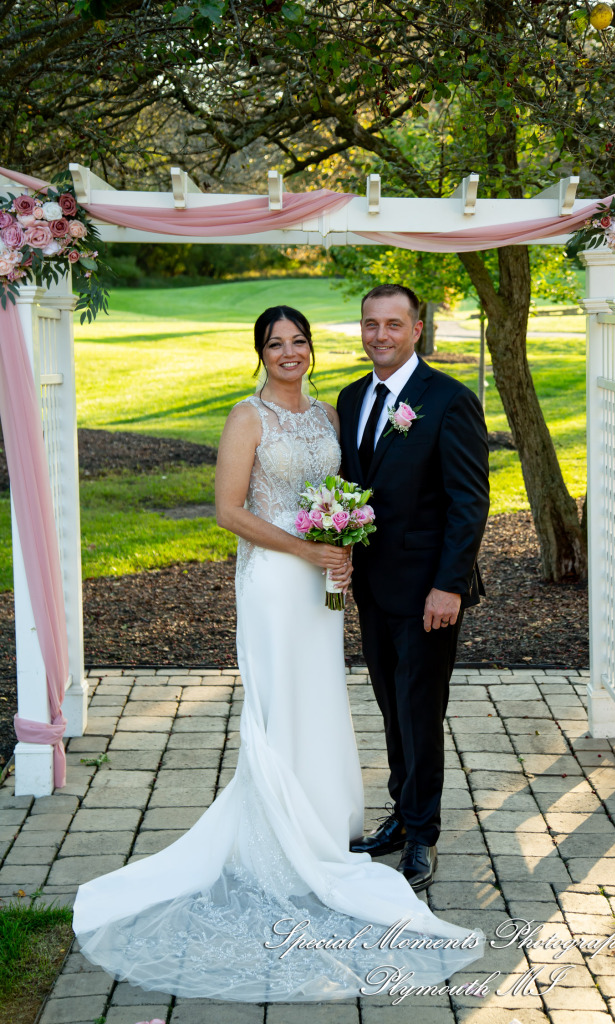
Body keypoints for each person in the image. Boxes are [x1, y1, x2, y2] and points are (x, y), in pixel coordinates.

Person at [71, 305, 484, 1002]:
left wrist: (378, 562)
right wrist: (317, 548)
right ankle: (304, 827)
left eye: (297, 341)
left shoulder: (341, 412)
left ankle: (379, 825)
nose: (287, 352)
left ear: (414, 328)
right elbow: (230, 510)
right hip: (279, 581)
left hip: (348, 584)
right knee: (305, 699)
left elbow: (428, 497)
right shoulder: (261, 415)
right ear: (259, 351)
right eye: (274, 343)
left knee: (343, 700)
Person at [338, 285, 490, 891]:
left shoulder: (449, 400)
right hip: (373, 588)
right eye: (371, 324)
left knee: (420, 711)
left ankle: (423, 835)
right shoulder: (351, 399)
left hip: (430, 592)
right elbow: (353, 484)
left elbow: (468, 503)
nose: (381, 336)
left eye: (393, 324)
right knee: (391, 709)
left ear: (418, 329)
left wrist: (449, 586)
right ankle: (402, 816)